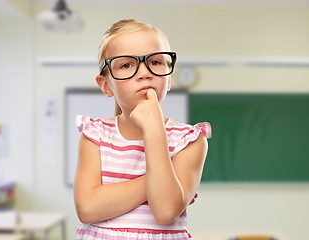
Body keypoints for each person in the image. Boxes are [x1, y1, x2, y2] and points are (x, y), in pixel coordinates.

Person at [74, 19, 211, 240]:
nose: (144, 73)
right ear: (106, 85)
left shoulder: (190, 140)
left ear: (170, 77)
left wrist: (154, 130)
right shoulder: (94, 135)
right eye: (126, 65)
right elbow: (87, 209)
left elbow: (166, 211)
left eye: (155, 62)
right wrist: (163, 180)